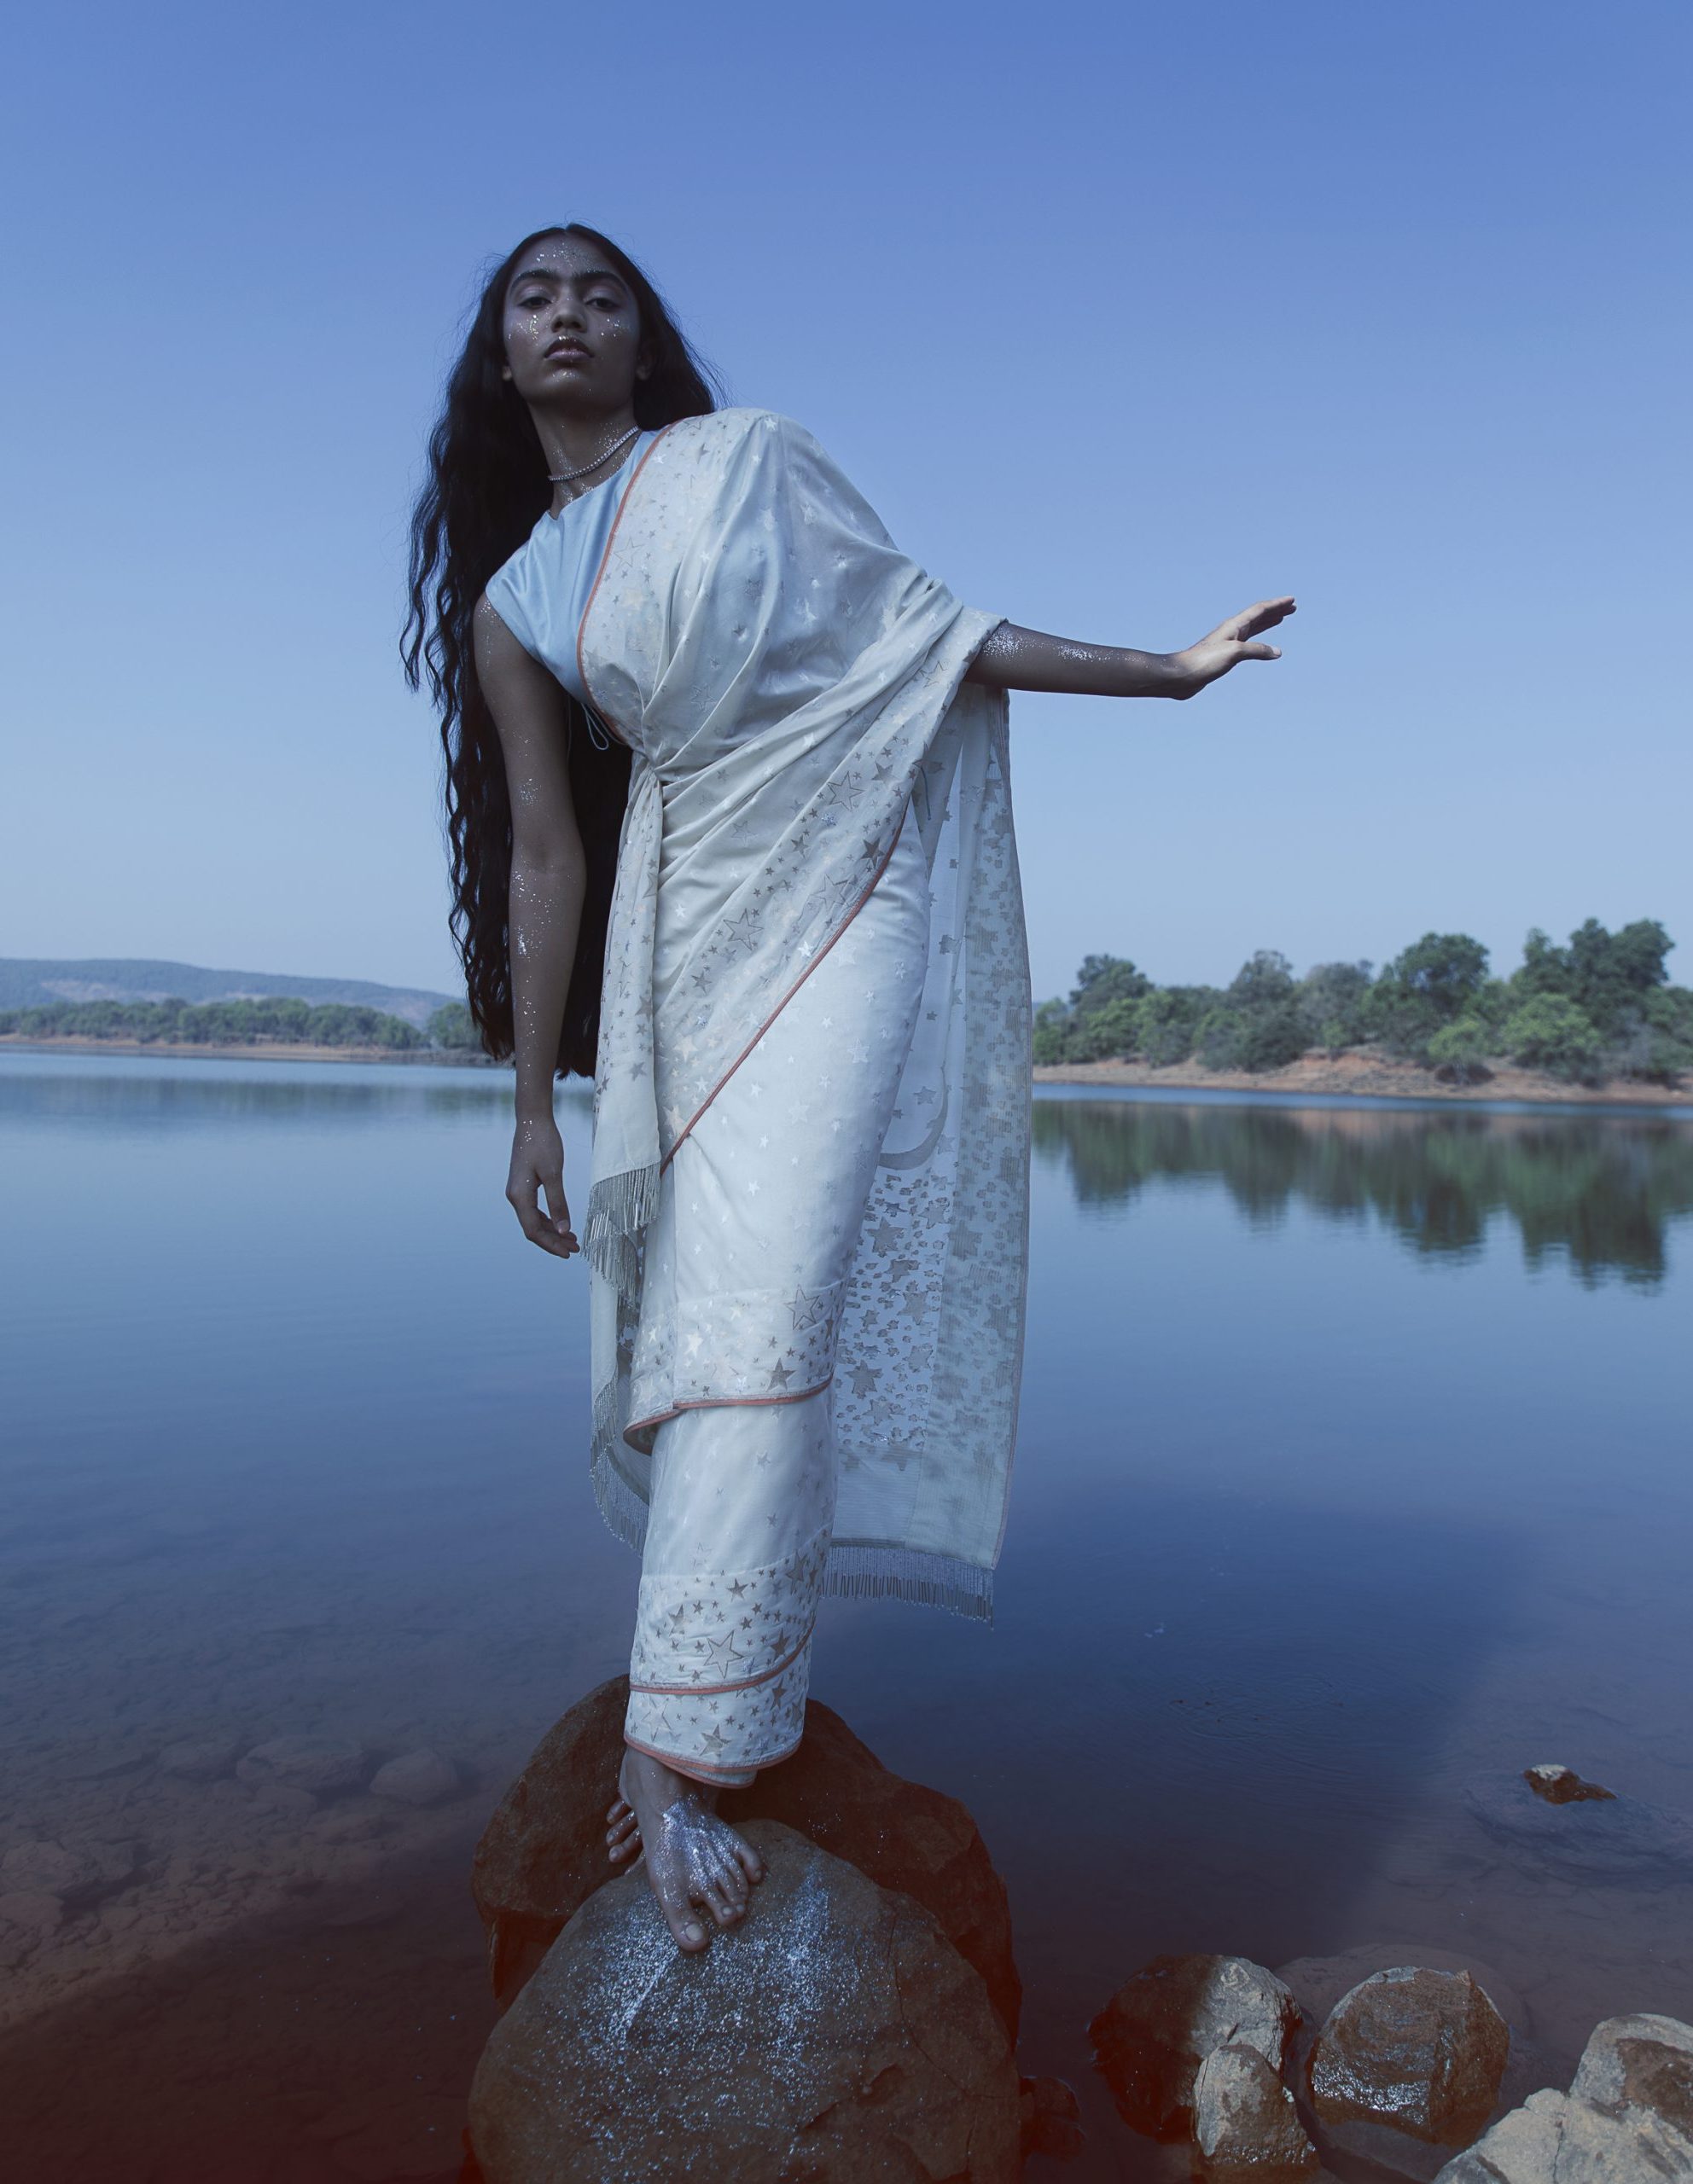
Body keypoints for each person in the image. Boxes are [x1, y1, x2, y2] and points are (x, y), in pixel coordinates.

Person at [404, 224, 1292, 1955]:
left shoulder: (748, 461)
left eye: (600, 295)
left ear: (645, 340)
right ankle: (717, 1688)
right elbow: (542, 856)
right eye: (534, 299)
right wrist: (528, 1105)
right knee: (719, 1310)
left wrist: (1167, 673)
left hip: (841, 892)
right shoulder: (514, 599)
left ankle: (674, 1737)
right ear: (499, 357)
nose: (569, 316)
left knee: (775, 1284)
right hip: (679, 926)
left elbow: (934, 639)